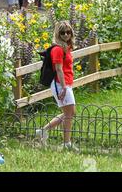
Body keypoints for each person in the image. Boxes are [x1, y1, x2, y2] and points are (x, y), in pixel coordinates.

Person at [35, 21, 78, 151]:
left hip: (65, 83)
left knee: (70, 113)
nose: (66, 34)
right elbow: (59, 70)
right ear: (58, 34)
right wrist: (64, 88)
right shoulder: (58, 49)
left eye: (68, 32)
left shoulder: (66, 47)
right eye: (62, 32)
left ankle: (43, 131)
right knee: (69, 114)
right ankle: (66, 143)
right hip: (60, 84)